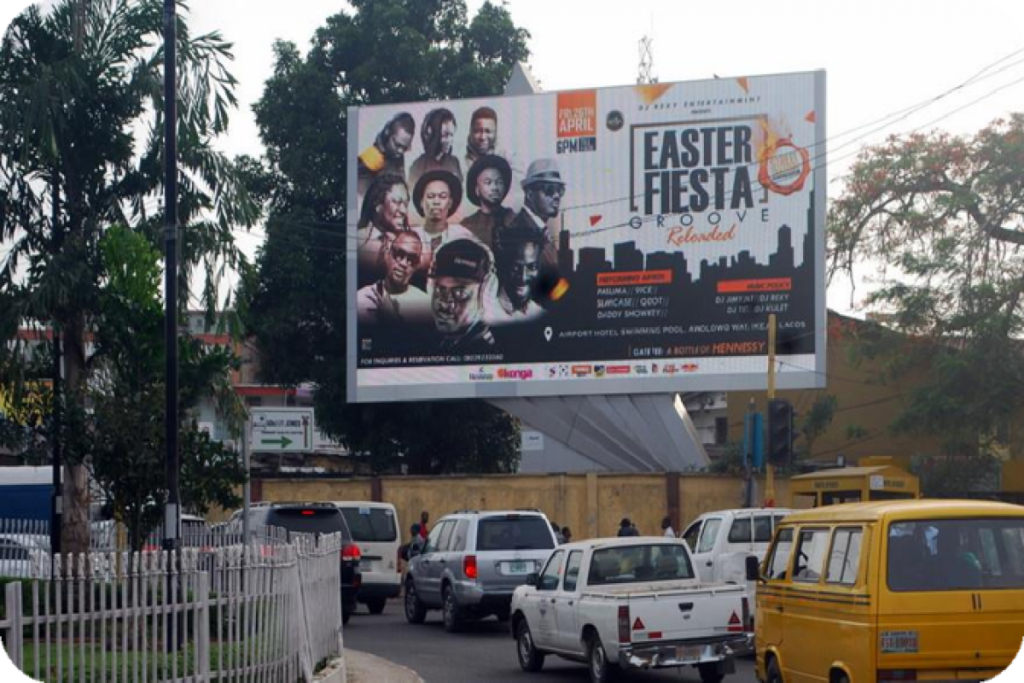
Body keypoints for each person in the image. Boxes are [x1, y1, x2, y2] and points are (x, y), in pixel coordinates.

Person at [429, 239, 497, 352]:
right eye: (439, 289)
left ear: (485, 294)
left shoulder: (485, 352)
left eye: (460, 294)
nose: (445, 304)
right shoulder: (435, 341)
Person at [410, 169, 477, 278]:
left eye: (443, 196)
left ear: (450, 203)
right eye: (431, 196)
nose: (436, 202)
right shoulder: (409, 236)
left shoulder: (463, 236)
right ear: (421, 202)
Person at [356, 231, 431, 327]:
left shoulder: (426, 305)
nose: (403, 264)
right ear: (387, 255)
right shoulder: (363, 298)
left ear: (416, 266)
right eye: (399, 255)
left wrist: (394, 323)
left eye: (411, 260)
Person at [510, 158, 566, 279]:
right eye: (549, 189)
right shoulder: (521, 231)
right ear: (530, 194)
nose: (556, 196)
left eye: (559, 190)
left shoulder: (540, 230)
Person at [356, 174, 412, 288]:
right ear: (378, 205)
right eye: (396, 202)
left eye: (406, 204)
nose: (403, 210)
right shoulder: (359, 240)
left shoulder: (408, 241)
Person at [490, 223, 546, 324]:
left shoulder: (541, 314)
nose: (523, 278)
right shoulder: (486, 313)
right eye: (515, 268)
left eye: (532, 267)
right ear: (503, 264)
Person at [462, 155, 517, 247]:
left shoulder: (514, 220)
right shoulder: (467, 225)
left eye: (499, 182)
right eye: (488, 182)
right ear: (477, 190)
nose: (495, 188)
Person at [357, 112, 415, 197]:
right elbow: (362, 199)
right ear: (387, 133)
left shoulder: (395, 155)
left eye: (405, 148)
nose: (400, 151)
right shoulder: (371, 159)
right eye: (397, 145)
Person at [409, 108, 461, 191]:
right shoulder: (418, 166)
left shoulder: (454, 163)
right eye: (445, 135)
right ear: (430, 134)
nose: (449, 141)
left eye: (451, 135)